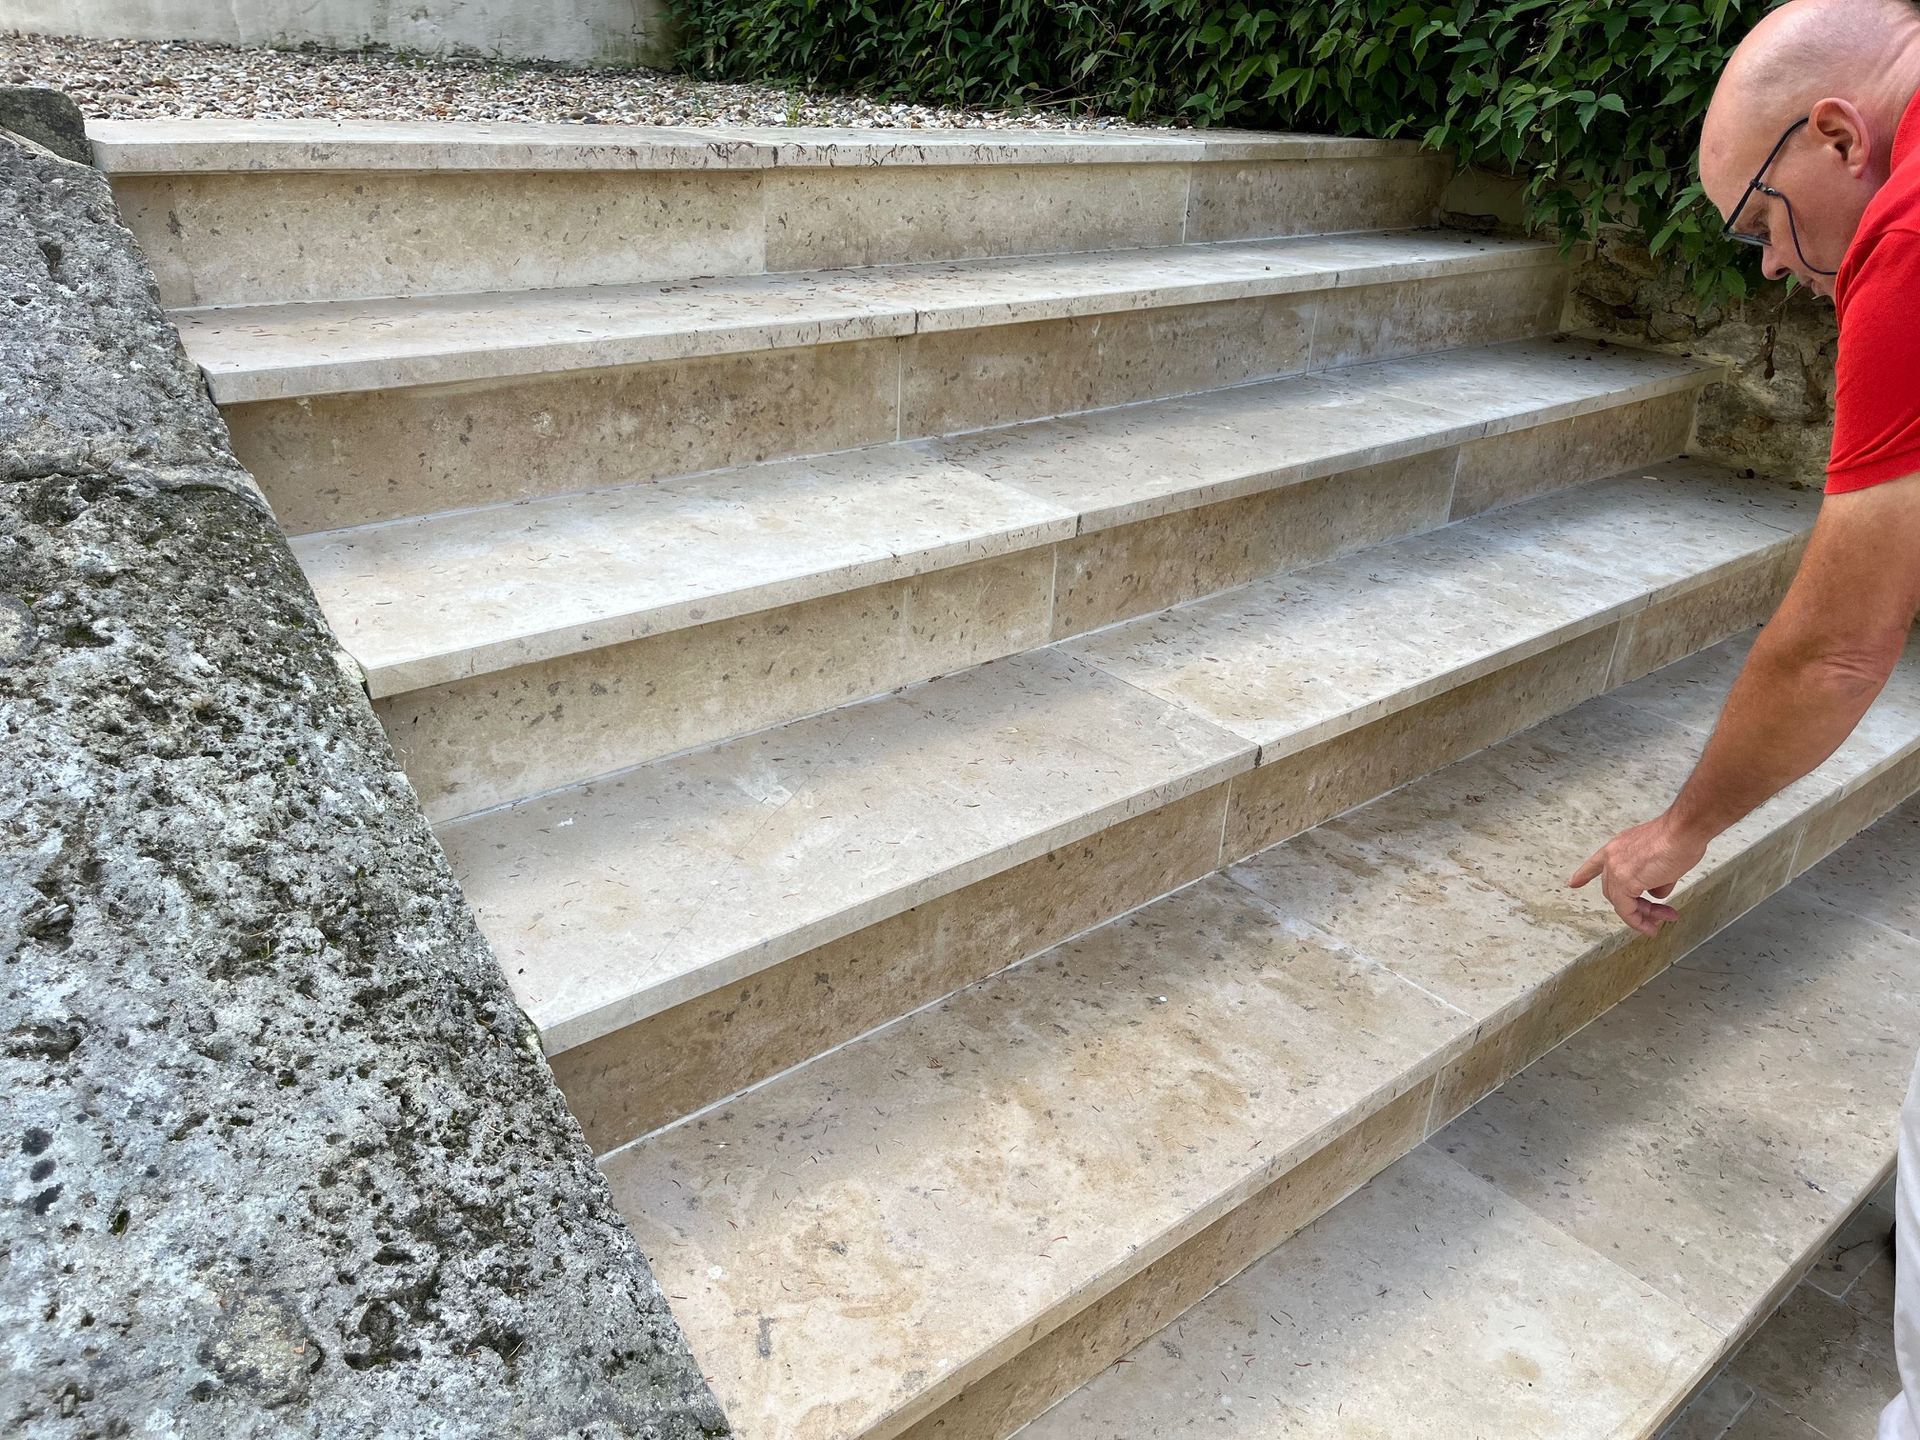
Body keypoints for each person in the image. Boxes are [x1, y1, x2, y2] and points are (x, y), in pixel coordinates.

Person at [1571, 2, 1920, 1434]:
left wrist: (1681, 825)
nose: (1776, 261)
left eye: (1764, 221)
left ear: (1836, 133)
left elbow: (1836, 648)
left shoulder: (1908, 238)